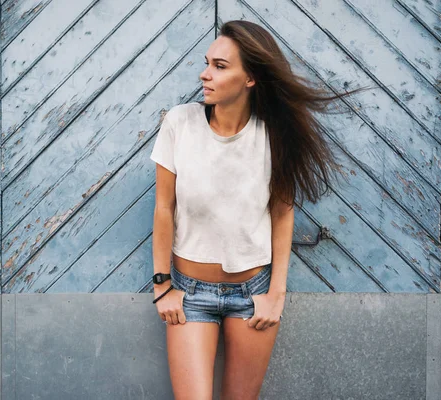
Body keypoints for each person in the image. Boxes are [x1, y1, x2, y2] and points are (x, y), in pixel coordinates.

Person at [149, 20, 370, 400]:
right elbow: (164, 208)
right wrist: (162, 285)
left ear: (250, 78)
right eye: (207, 63)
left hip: (252, 294)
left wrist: (275, 295)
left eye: (220, 66)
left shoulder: (273, 134)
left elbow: (283, 214)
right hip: (189, 294)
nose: (205, 74)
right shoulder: (179, 123)